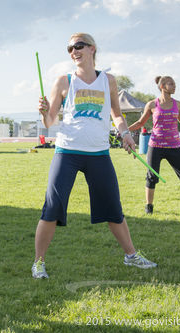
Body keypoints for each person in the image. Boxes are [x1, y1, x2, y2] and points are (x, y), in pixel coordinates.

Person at [32, 32, 157, 279]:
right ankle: (38, 263)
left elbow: (117, 115)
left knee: (112, 207)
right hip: (67, 152)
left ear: (92, 49)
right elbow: (50, 122)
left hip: (99, 153)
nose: (73, 51)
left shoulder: (108, 81)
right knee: (52, 208)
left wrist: (125, 134)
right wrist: (44, 112)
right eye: (70, 48)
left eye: (79, 46)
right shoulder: (64, 81)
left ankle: (131, 255)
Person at [128, 76, 180, 215]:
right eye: (171, 84)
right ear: (162, 86)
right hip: (155, 146)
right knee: (151, 176)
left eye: (174, 84)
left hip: (174, 146)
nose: (174, 86)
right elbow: (139, 123)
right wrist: (124, 130)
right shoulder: (151, 105)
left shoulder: (177, 104)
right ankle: (149, 207)